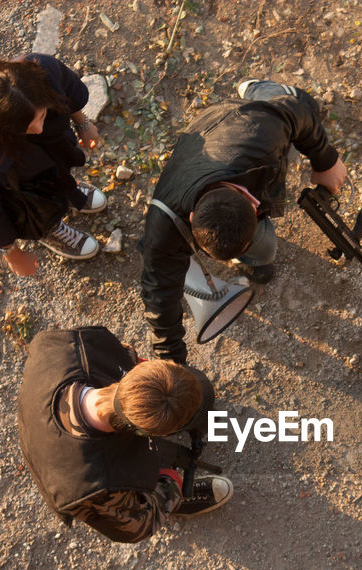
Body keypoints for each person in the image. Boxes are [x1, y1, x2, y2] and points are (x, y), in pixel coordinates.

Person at [139, 79, 347, 363]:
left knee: (301, 104)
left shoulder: (260, 134)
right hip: (205, 135)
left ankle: (260, 90)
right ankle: (258, 97)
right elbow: (158, 294)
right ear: (190, 217)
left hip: (237, 122)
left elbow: (293, 113)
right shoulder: (162, 221)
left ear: (255, 205)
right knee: (264, 247)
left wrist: (327, 161)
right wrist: (170, 360)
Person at [16, 326, 232, 542]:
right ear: (144, 432)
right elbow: (134, 529)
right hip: (60, 471)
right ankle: (177, 498)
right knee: (151, 497)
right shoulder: (96, 486)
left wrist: (155, 386)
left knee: (201, 394)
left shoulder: (68, 344)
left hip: (38, 410)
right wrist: (170, 481)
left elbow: (124, 353)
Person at [0, 55, 106, 276]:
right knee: (37, 209)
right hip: (21, 185)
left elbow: (68, 91)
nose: (38, 129)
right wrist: (13, 254)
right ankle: (49, 228)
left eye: (43, 115)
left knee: (59, 170)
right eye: (26, 126)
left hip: (50, 158)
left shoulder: (44, 70)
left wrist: (82, 123)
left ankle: (69, 190)